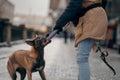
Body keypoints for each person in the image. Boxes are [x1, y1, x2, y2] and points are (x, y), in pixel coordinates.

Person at [47, 0, 108, 80]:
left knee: (82, 58)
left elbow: (74, 6)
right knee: (83, 57)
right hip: (99, 16)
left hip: (91, 19)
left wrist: (59, 24)